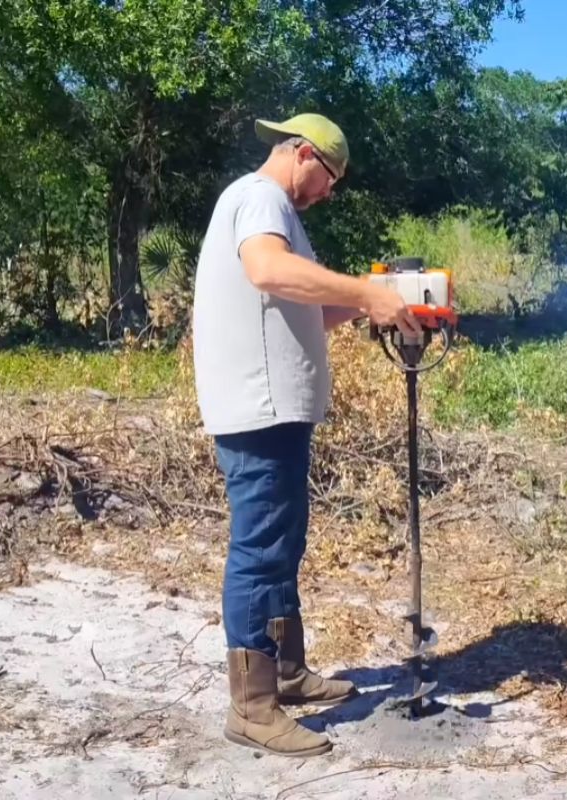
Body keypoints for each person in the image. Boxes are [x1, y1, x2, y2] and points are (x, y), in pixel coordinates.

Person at [190, 112, 422, 758]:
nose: (329, 194)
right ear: (301, 154)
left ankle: (285, 671)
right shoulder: (259, 197)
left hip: (275, 411)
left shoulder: (273, 210)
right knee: (262, 547)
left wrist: (383, 299)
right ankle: (253, 707)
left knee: (283, 540)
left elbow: (310, 310)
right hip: (257, 411)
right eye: (330, 178)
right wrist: (363, 291)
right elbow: (267, 270)